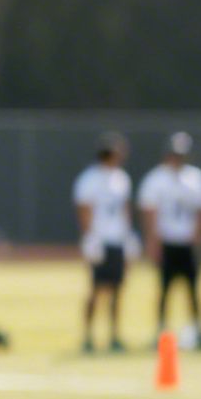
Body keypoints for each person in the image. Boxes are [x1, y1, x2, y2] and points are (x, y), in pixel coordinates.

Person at [137, 131, 201, 348]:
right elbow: (149, 211)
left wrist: (199, 236)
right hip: (167, 240)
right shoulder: (156, 179)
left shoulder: (196, 178)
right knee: (165, 289)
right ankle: (161, 330)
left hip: (188, 242)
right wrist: (152, 241)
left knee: (193, 289)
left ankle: (197, 329)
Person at [73, 133, 137, 353]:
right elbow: (84, 209)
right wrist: (90, 237)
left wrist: (128, 235)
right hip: (100, 240)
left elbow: (124, 208)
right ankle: (88, 335)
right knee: (96, 289)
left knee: (117, 289)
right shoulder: (90, 178)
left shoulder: (121, 178)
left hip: (117, 239)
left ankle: (114, 335)